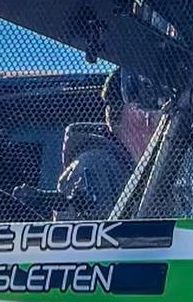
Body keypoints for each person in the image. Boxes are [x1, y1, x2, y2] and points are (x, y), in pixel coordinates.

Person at [55, 69, 160, 215]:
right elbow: (100, 228)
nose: (153, 118)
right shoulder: (94, 167)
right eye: (144, 108)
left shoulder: (151, 169)